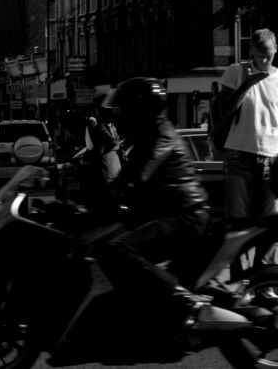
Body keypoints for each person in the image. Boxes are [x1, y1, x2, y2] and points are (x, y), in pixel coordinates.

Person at [98, 78, 210, 329]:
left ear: (141, 110)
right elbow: (124, 178)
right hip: (170, 212)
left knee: (119, 249)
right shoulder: (148, 136)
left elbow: (141, 174)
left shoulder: (162, 137)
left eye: (126, 111)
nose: (122, 118)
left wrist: (120, 190)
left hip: (184, 215)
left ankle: (182, 299)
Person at [218, 28, 278, 277]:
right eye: (259, 55)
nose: (263, 61)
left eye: (268, 55)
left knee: (272, 224)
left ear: (275, 51)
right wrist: (246, 85)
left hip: (272, 158)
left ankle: (263, 280)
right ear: (251, 50)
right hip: (239, 155)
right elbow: (224, 111)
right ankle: (240, 282)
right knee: (239, 223)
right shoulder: (236, 71)